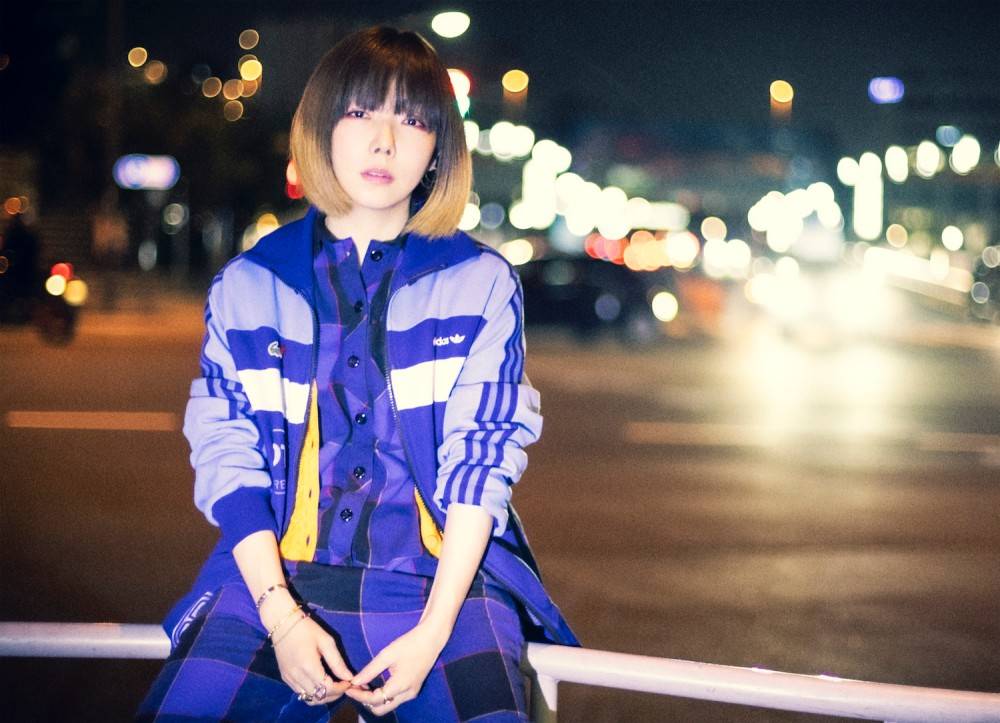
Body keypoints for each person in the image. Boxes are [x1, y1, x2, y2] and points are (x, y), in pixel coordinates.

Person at [138, 25, 577, 722]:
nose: (384, 141)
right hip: (277, 577)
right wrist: (282, 617)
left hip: (443, 584)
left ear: (439, 148)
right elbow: (228, 455)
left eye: (414, 120)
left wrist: (434, 632)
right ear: (321, 127)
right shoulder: (251, 283)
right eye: (360, 112)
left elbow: (482, 460)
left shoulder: (479, 282)